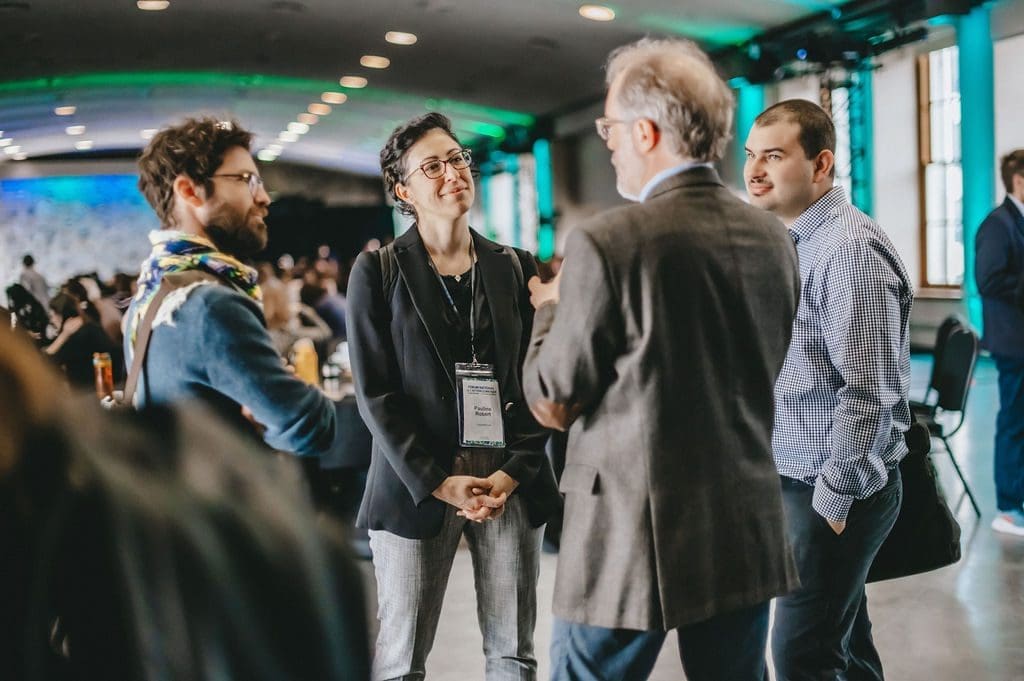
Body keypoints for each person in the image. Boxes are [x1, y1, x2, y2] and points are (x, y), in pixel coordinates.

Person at [522, 38, 800, 681]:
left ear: (646, 132)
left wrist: (551, 305)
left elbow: (553, 400)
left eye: (611, 128)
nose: (609, 142)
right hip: (743, 521)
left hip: (629, 531)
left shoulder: (607, 241)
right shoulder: (772, 236)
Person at [347, 112, 560, 680]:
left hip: (508, 477)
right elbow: (375, 393)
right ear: (404, 191)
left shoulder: (514, 266)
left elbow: (537, 374)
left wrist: (515, 468)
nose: (453, 173)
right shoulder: (378, 270)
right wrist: (439, 480)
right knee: (401, 660)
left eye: (458, 159)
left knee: (513, 652)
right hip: (418, 480)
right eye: (433, 166)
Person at [744, 99, 912, 680]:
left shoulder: (847, 252)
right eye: (750, 155)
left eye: (774, 155)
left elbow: (869, 393)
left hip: (828, 488)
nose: (754, 171)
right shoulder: (799, 241)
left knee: (800, 658)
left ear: (821, 165)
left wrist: (832, 503)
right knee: (843, 646)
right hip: (797, 478)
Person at [127, 116, 334, 456]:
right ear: (189, 191)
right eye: (247, 180)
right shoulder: (209, 306)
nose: (264, 197)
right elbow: (312, 425)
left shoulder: (147, 297)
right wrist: (301, 392)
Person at [976, 149, 1024, 536]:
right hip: (1013, 344)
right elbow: (989, 281)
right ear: (1019, 181)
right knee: (1013, 423)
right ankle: (1008, 508)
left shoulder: (1017, 221)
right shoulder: (997, 225)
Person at [44, 291, 118, 390]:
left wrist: (64, 335)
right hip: (103, 390)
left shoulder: (74, 337)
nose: (52, 320)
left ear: (61, 314)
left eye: (52, 315)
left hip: (88, 395)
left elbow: (45, 363)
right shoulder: (91, 327)